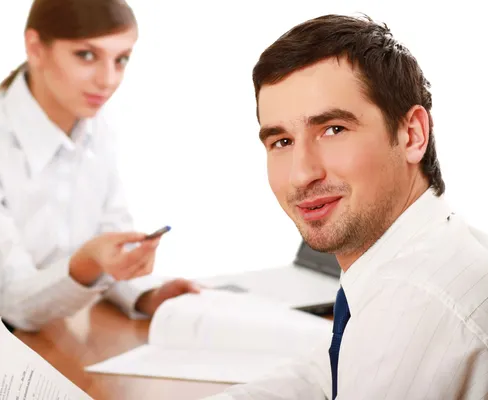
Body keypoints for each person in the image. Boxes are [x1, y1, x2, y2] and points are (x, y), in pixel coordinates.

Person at [0, 0, 200, 399]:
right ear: (35, 47)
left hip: (43, 346)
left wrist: (146, 293)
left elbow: (109, 238)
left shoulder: (94, 127)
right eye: (87, 55)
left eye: (121, 60)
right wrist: (88, 261)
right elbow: (15, 299)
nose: (108, 79)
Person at [204, 14, 488, 400]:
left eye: (333, 129)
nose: (301, 175)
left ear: (412, 134)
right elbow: (326, 371)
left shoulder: (413, 305)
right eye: (282, 142)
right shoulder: (428, 248)